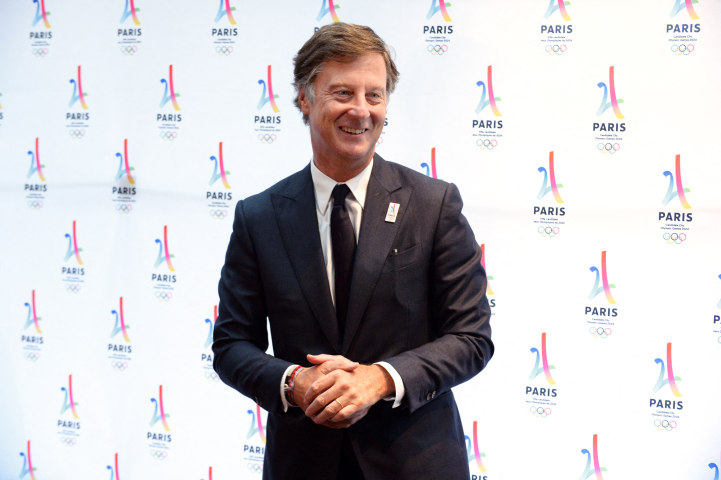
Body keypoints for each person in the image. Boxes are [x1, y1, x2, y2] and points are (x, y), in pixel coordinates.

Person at [213, 23, 493, 480]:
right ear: (305, 98)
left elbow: (471, 337)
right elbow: (230, 345)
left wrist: (379, 378)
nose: (361, 111)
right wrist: (292, 382)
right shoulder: (258, 216)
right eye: (343, 92)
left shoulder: (433, 204)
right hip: (302, 464)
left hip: (416, 464)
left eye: (375, 95)